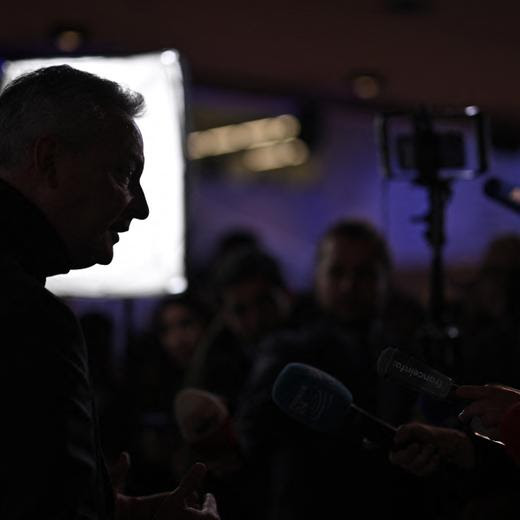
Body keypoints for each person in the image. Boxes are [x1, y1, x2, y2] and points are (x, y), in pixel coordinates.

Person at [0, 65, 219, 519]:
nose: (139, 207)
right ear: (49, 160)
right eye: (123, 174)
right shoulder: (28, 319)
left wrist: (104, 507)